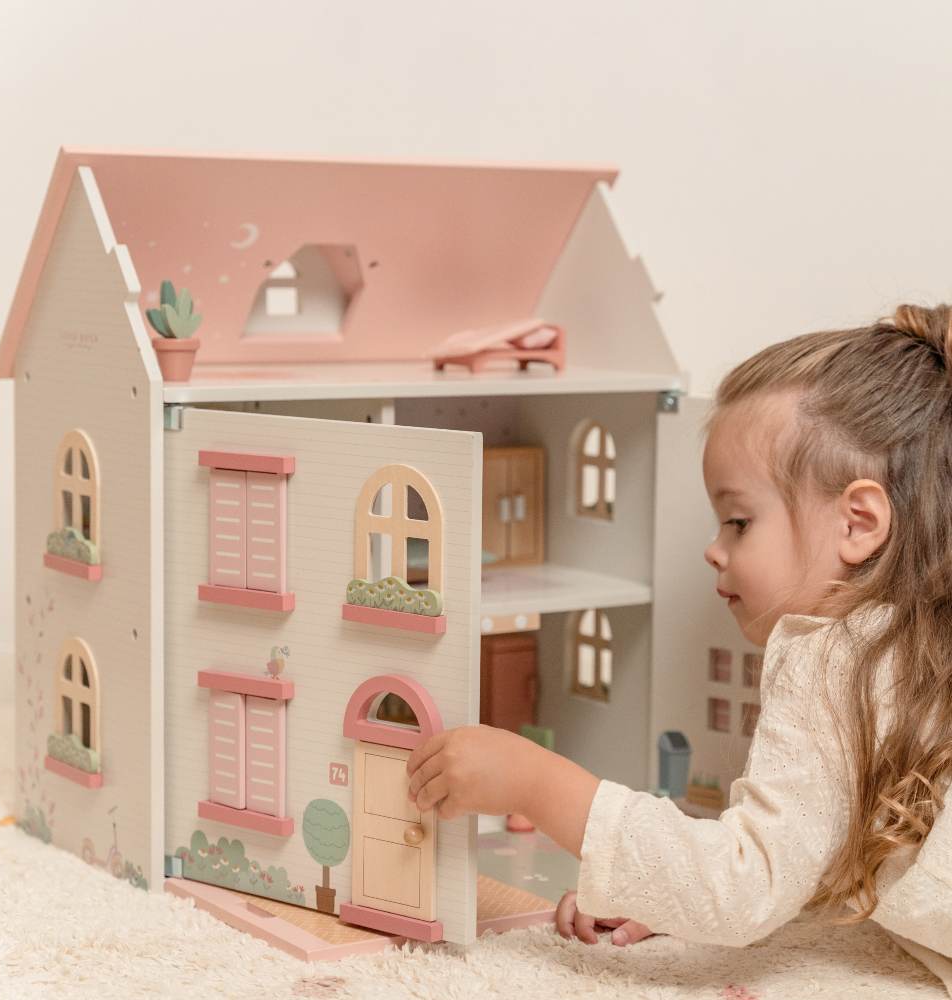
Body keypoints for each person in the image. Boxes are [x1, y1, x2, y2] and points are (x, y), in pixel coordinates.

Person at [406, 303, 952, 989]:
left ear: (859, 522)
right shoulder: (908, 645)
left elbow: (741, 888)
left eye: (738, 521)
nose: (714, 549)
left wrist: (535, 782)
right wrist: (666, 893)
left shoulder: (835, 654)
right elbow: (823, 852)